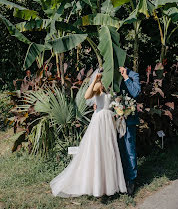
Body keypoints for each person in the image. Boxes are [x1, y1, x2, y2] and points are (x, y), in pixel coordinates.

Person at [50, 70, 127, 198]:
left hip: (109, 120)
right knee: (98, 150)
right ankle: (97, 186)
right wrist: (95, 81)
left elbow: (115, 102)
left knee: (109, 150)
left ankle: (109, 185)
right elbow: (87, 96)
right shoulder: (99, 85)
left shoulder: (112, 86)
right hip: (100, 120)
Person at [118, 66, 141, 196]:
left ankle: (131, 180)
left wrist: (126, 77)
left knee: (129, 150)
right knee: (117, 149)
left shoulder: (133, 75)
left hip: (129, 120)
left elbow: (136, 93)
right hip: (113, 119)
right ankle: (118, 177)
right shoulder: (111, 75)